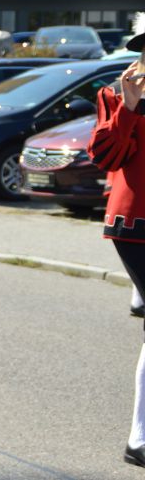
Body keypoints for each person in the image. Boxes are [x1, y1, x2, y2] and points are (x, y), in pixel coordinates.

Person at [87, 35, 145, 469]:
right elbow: (106, 156)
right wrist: (129, 106)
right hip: (137, 226)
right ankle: (139, 438)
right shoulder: (117, 94)